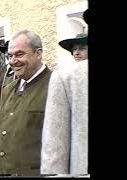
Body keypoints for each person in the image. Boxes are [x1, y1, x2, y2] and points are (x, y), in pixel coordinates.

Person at [0, 30, 52, 176]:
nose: (12, 61)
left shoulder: (56, 85)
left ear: (38, 53)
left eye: (19, 54)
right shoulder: (9, 87)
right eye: (9, 56)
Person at [40, 9, 89, 176]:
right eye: (74, 49)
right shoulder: (65, 76)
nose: (76, 52)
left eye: (82, 48)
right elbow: (55, 140)